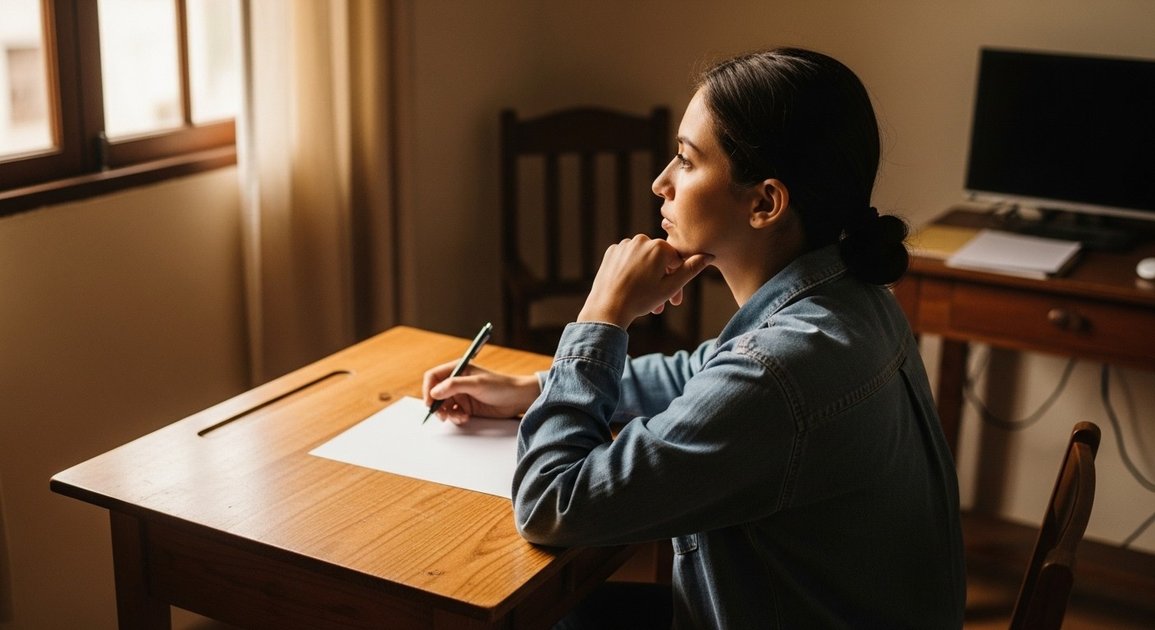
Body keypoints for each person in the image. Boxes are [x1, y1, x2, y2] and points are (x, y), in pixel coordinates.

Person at [423, 47, 965, 629]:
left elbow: (550, 503)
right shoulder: (853, 297)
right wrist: (532, 388)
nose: (660, 182)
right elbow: (704, 371)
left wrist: (602, 317)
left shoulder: (778, 372)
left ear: (765, 202)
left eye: (685, 160)